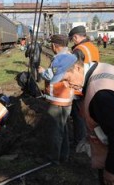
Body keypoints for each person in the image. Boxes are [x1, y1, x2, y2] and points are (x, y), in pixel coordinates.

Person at [49, 54, 114, 185]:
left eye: (67, 79)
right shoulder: (102, 69)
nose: (67, 86)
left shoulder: (100, 94)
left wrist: (112, 170)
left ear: (78, 68)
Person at [38, 34, 73, 164]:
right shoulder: (70, 56)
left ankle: (53, 159)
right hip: (66, 99)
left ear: (54, 46)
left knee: (54, 131)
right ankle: (64, 156)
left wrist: (42, 71)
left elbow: (50, 75)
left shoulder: (60, 59)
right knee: (63, 128)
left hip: (57, 100)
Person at [68, 25, 100, 147]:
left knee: (78, 116)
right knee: (88, 115)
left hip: (80, 87)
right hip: (93, 84)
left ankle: (79, 142)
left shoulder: (79, 50)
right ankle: (89, 138)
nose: (73, 41)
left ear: (76, 37)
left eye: (72, 39)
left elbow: (73, 70)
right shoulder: (92, 47)